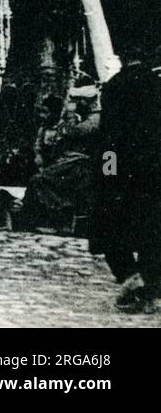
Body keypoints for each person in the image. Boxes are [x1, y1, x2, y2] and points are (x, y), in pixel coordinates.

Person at [89, 43, 161, 313]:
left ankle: (131, 278)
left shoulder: (115, 86)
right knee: (152, 230)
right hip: (154, 171)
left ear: (123, 57)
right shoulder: (156, 83)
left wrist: (108, 172)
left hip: (122, 170)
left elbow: (109, 137)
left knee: (110, 226)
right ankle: (151, 289)